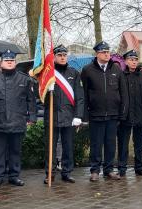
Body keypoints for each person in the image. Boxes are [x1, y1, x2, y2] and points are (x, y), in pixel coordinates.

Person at [0, 50, 36, 188]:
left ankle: (14, 176)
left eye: (12, 60)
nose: (10, 62)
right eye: (7, 60)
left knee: (15, 150)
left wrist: (32, 117)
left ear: (15, 62)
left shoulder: (25, 79)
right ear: (1, 63)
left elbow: (31, 101)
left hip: (17, 121)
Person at [81, 41, 128, 182]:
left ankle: (108, 170)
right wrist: (85, 115)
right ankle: (95, 170)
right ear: (97, 54)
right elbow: (84, 94)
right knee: (96, 144)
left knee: (110, 144)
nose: (107, 54)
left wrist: (122, 112)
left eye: (108, 52)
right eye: (103, 52)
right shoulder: (88, 70)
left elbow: (123, 93)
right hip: (96, 114)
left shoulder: (116, 69)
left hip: (113, 114)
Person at [43, 45, 84, 184]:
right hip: (52, 114)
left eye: (64, 55)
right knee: (50, 147)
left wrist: (78, 115)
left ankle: (67, 172)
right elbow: (40, 96)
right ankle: (50, 173)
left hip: (69, 115)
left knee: (68, 146)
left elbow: (79, 96)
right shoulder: (48, 73)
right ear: (54, 56)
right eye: (59, 55)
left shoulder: (74, 72)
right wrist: (48, 90)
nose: (62, 57)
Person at [117, 50, 142, 177]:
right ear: (125, 61)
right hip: (125, 116)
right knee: (123, 143)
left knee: (139, 144)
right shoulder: (120, 76)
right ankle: (122, 168)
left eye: (135, 60)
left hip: (140, 114)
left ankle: (139, 167)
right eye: (131, 60)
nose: (134, 62)